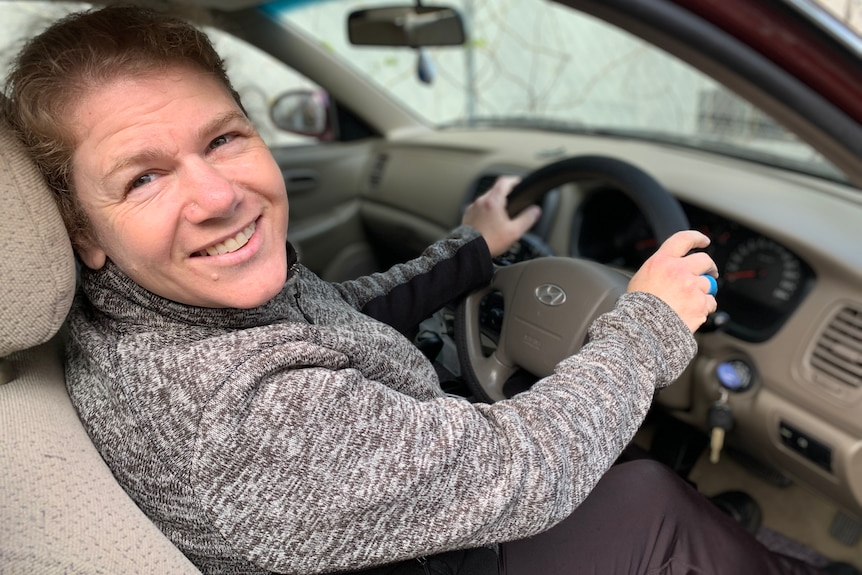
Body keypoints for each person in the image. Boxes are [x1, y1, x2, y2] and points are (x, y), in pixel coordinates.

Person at [3, 6, 847, 575]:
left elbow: (331, 320)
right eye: (145, 177)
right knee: (652, 501)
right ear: (81, 231)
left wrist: (469, 252)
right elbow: (523, 467)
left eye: (223, 138)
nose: (218, 196)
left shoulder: (154, 309)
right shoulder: (235, 414)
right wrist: (651, 323)